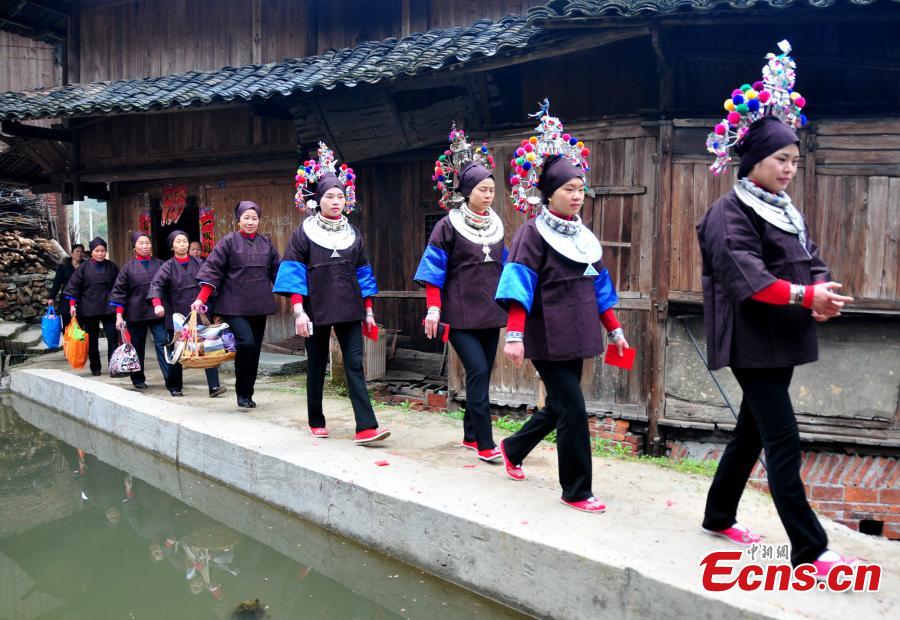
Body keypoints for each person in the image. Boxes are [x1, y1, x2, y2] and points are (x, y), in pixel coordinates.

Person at [698, 41, 857, 577]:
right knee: (782, 436)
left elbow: (807, 258)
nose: (790, 168)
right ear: (753, 160)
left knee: (751, 429)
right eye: (780, 159)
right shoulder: (727, 211)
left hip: (782, 333)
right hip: (750, 336)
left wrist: (822, 292)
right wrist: (803, 296)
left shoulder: (784, 208)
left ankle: (718, 515)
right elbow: (747, 277)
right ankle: (810, 548)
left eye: (794, 159)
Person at [495, 101, 628, 513]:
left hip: (579, 330)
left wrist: (616, 329)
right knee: (573, 407)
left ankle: (513, 448)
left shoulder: (583, 237)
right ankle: (577, 489)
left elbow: (600, 286)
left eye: (579, 188)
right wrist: (515, 335)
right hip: (547, 333)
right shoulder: (531, 235)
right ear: (549, 192)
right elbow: (519, 283)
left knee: (558, 405)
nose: (576, 195)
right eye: (568, 189)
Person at [273, 142, 389, 444]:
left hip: (350, 308)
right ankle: (316, 418)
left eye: (340, 196)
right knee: (316, 364)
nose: (336, 201)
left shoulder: (354, 235)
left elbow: (363, 273)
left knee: (353, 364)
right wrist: (298, 310)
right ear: (318, 200)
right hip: (315, 309)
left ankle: (366, 426)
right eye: (329, 196)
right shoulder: (303, 233)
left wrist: (368, 311)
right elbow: (294, 272)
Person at [414, 126, 505, 462]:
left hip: (492, 312)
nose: (488, 195)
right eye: (482, 189)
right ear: (467, 191)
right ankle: (484, 442)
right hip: (460, 314)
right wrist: (434, 310)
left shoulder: (496, 225)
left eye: (492, 189)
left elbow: (504, 268)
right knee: (478, 371)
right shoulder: (447, 226)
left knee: (483, 373)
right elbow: (433, 273)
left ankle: (469, 434)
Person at [192, 201, 281, 408]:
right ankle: (242, 391)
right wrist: (201, 298)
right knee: (246, 343)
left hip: (259, 305)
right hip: (233, 305)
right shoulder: (228, 242)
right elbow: (213, 269)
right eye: (246, 218)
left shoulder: (266, 244)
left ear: (259, 221)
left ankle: (247, 394)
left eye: (254, 218)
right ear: (238, 220)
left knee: (254, 350)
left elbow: (279, 271)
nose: (250, 222)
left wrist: (298, 297)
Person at [148, 229, 226, 398]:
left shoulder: (199, 263)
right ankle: (175, 386)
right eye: (178, 241)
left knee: (207, 347)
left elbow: (211, 282)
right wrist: (157, 305)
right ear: (172, 246)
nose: (182, 244)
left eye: (185, 241)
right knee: (177, 350)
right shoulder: (166, 267)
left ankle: (214, 387)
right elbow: (156, 286)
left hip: (199, 312)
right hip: (177, 315)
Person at [109, 231, 171, 391]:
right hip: (136, 314)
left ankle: (170, 377)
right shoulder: (128, 268)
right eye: (141, 243)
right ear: (134, 247)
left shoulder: (161, 264)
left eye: (147, 243)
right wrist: (119, 316)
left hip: (158, 313)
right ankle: (137, 378)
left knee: (163, 342)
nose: (145, 246)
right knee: (137, 347)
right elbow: (119, 293)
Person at [64, 237, 119, 376]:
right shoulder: (84, 268)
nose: (100, 254)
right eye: (97, 251)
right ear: (91, 252)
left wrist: (119, 307)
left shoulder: (112, 267)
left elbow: (119, 287)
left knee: (112, 337)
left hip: (109, 307)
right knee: (92, 340)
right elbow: (73, 286)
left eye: (103, 251)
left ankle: (113, 366)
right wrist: (72, 305)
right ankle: (95, 367)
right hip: (89, 308)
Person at [46, 243, 84, 331]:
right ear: (71, 253)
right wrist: (51, 297)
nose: (79, 254)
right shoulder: (64, 266)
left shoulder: (85, 266)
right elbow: (57, 283)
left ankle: (78, 344)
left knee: (80, 326)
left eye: (81, 252)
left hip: (82, 300)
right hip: (66, 300)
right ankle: (68, 344)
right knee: (67, 326)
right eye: (77, 251)